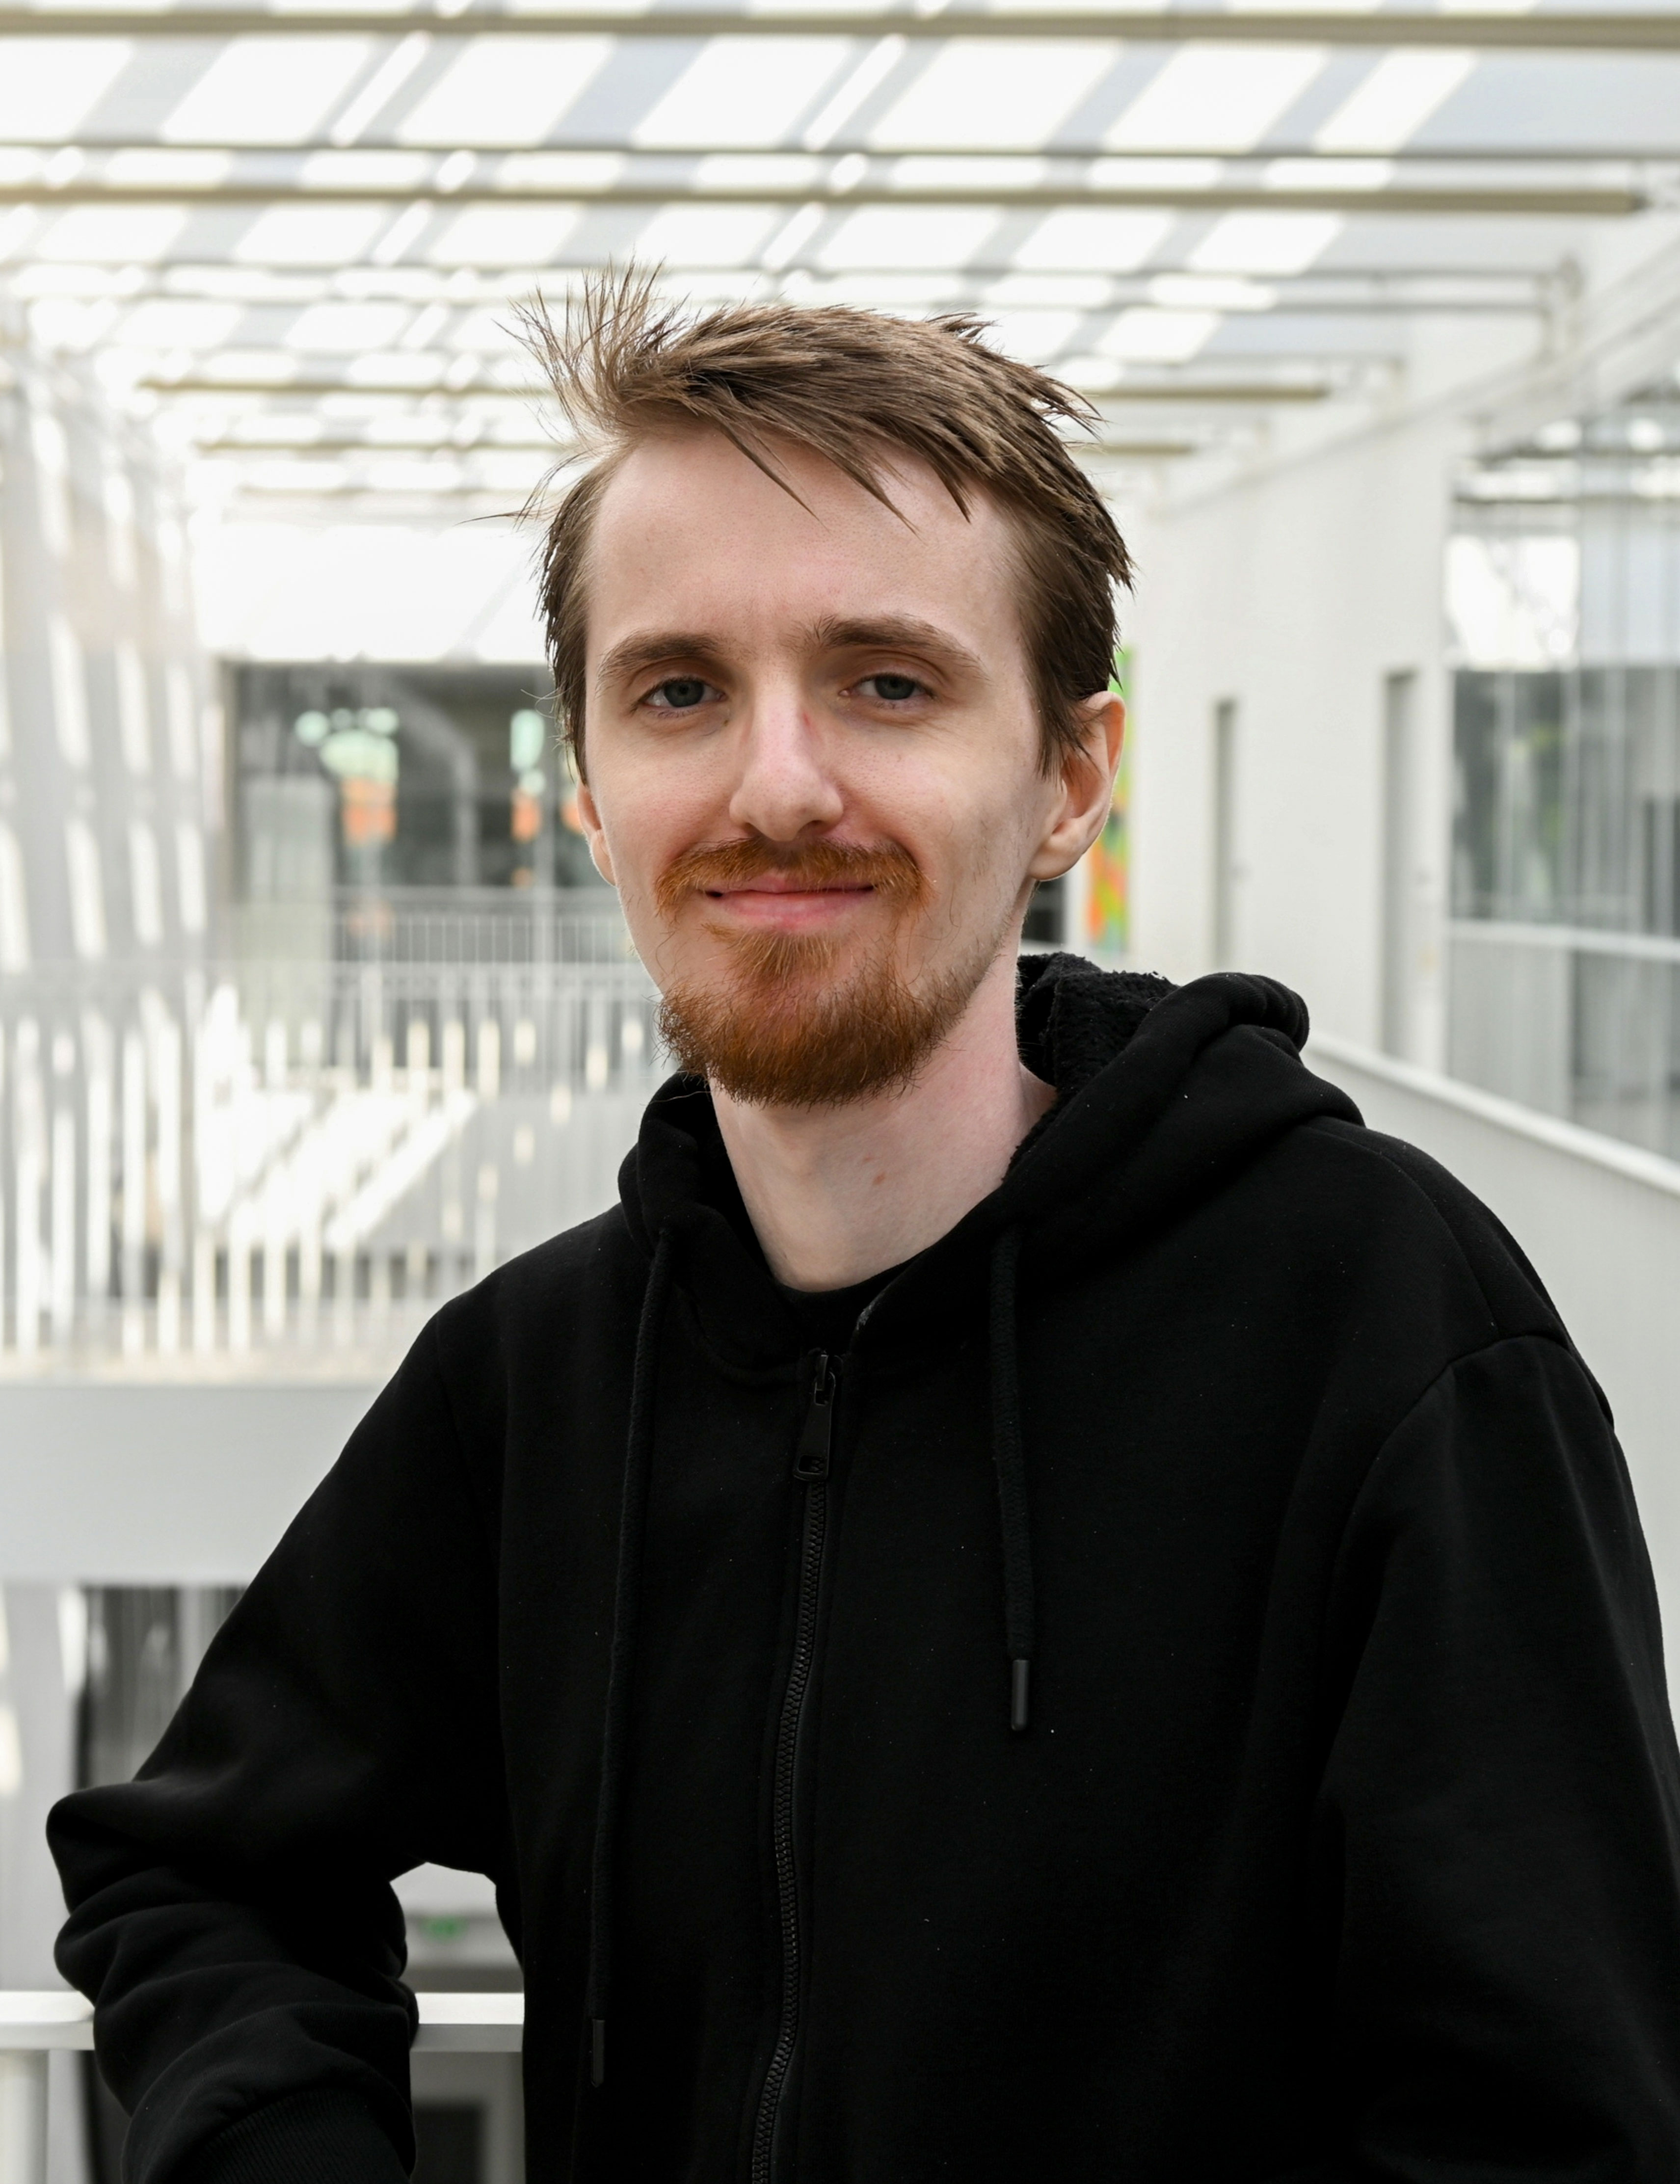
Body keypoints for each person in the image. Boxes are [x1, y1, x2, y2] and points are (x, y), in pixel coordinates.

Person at [50, 271, 1680, 2184]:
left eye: (886, 682)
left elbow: (1550, 2123)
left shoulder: (1383, 1329)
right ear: (591, 792)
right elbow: (198, 1870)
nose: (776, 784)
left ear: (1071, 778)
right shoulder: (536, 1379)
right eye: (679, 691)